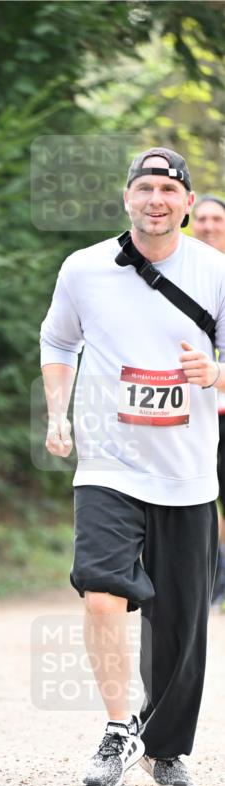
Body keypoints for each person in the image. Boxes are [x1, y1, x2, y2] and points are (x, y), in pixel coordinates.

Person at [40, 147, 225, 786]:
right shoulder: (84, 268)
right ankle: (119, 728)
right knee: (100, 590)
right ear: (126, 198)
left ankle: (163, 746)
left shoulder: (215, 270)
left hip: (186, 471)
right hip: (108, 464)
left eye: (167, 190)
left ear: (186, 202)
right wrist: (56, 413)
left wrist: (215, 372)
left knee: (178, 625)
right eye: (143, 188)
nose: (155, 200)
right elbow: (58, 340)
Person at [193, 194, 225, 606]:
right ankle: (214, 575)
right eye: (201, 218)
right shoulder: (179, 274)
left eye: (217, 218)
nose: (208, 225)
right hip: (192, 410)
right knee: (202, 495)